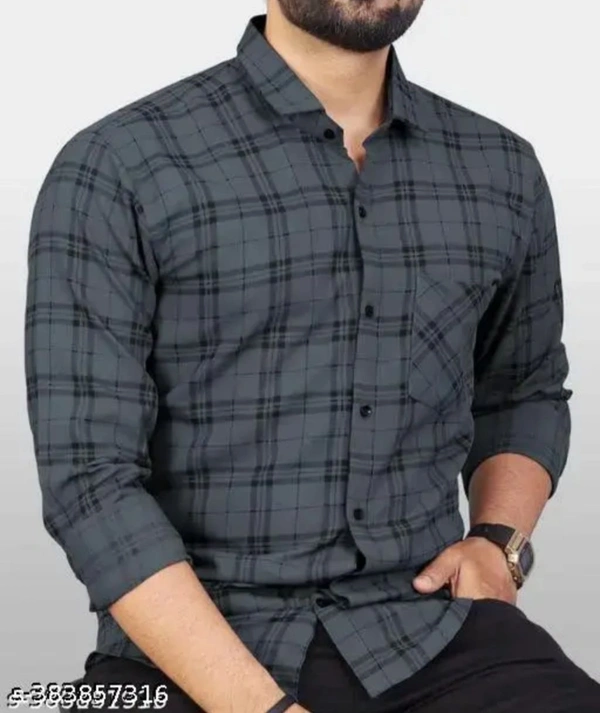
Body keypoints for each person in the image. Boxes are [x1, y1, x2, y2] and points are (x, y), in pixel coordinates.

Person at [25, 1, 600, 712]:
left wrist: (499, 541)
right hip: (182, 655)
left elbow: (522, 389)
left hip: (428, 629)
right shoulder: (118, 167)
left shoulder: (501, 170)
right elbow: (91, 481)